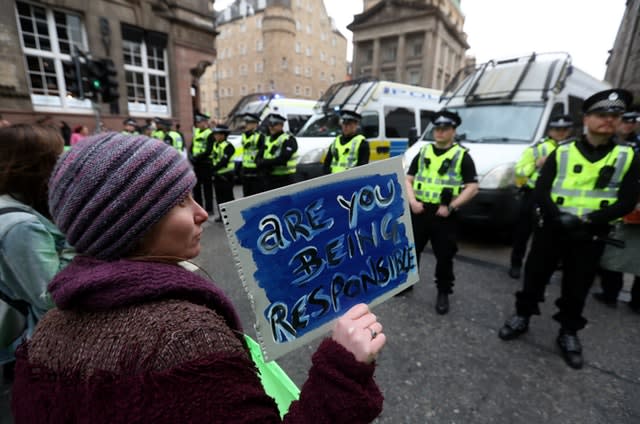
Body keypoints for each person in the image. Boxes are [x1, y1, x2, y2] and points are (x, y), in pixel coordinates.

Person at [11, 133, 386, 423]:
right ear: (127, 221)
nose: (202, 213)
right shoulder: (185, 339)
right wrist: (344, 369)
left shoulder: (46, 330)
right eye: (179, 202)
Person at [498, 89, 640, 370]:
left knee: (578, 286)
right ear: (586, 118)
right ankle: (522, 316)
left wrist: (590, 219)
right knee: (534, 278)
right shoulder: (562, 151)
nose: (608, 120)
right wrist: (557, 217)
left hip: (591, 235)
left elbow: (627, 201)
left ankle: (569, 332)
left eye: (615, 115)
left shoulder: (627, 156)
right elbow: (541, 190)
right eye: (601, 114)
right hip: (552, 229)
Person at [0, 124, 75, 368]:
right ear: (35, 167)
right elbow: (49, 294)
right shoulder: (21, 226)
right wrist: (79, 238)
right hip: (32, 342)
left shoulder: (12, 204)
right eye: (56, 157)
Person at [404, 110, 479, 314]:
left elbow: (472, 187)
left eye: (445, 129)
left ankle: (443, 292)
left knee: (444, 256)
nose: (440, 132)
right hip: (420, 209)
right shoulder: (423, 152)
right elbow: (408, 179)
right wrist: (412, 201)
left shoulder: (462, 156)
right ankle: (407, 283)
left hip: (444, 214)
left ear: (453, 131)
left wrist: (452, 207)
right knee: (412, 249)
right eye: (437, 128)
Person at [508, 114, 574, 279]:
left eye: (564, 129)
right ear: (550, 130)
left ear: (569, 131)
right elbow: (519, 171)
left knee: (548, 236)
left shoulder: (574, 149)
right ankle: (516, 264)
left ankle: (542, 268)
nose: (560, 133)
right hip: (532, 195)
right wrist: (535, 164)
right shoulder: (538, 148)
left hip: (557, 197)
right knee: (523, 233)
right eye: (556, 129)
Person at [593, 109, 640, 313]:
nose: (627, 125)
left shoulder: (635, 146)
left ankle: (636, 301)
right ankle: (610, 293)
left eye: (632, 122)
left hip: (632, 205)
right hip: (614, 205)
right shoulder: (607, 143)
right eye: (625, 121)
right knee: (613, 252)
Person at [258, 113, 298, 191]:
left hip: (286, 178)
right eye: (269, 124)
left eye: (274, 124)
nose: (271, 127)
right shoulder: (267, 139)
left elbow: (283, 159)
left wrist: (264, 163)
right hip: (269, 178)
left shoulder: (288, 139)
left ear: (281, 125)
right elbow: (259, 157)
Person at [323, 109, 370, 174]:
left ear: (356, 125)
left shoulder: (362, 143)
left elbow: (362, 168)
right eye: (344, 124)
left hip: (350, 181)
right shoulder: (336, 141)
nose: (345, 127)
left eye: (349, 124)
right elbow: (326, 164)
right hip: (333, 180)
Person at [190, 113, 215, 215]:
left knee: (207, 187)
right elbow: (192, 146)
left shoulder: (210, 133)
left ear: (205, 122)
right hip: (197, 164)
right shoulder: (196, 132)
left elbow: (209, 150)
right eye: (197, 123)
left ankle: (209, 208)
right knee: (196, 187)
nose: (198, 124)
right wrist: (191, 156)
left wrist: (197, 157)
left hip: (206, 163)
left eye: (200, 122)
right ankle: (199, 206)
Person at [211, 124, 236, 222]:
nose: (215, 136)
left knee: (228, 197)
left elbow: (224, 161)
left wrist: (213, 169)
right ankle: (223, 217)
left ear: (223, 135)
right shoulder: (215, 145)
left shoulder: (229, 146)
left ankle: (231, 217)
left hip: (227, 176)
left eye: (217, 134)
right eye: (215, 134)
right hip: (217, 176)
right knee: (219, 197)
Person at [240, 112, 267, 196]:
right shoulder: (244, 135)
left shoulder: (260, 136)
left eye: (249, 123)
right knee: (246, 196)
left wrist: (258, 165)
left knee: (256, 196)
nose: (246, 125)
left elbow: (263, 152)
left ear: (255, 124)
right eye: (246, 122)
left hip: (256, 171)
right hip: (246, 170)